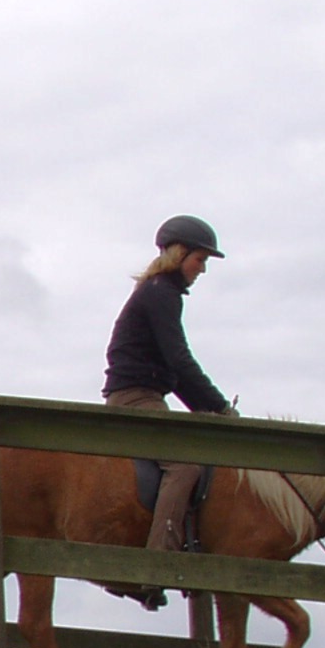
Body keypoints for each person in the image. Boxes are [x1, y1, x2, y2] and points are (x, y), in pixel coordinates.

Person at [102, 215, 232, 578]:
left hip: (147, 394)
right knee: (185, 465)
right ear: (180, 254)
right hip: (136, 398)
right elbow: (180, 360)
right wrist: (220, 407)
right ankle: (159, 563)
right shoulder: (162, 294)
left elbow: (174, 372)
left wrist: (209, 408)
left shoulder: (158, 292)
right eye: (200, 260)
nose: (202, 270)